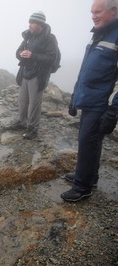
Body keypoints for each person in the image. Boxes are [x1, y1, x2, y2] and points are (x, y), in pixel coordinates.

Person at [61, 0, 118, 202]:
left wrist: (113, 110)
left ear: (113, 11)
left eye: (98, 11)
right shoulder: (98, 34)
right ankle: (89, 177)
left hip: (101, 103)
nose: (93, 15)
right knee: (91, 141)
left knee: (87, 142)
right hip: (89, 99)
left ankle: (82, 187)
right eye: (91, 12)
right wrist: (74, 99)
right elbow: (85, 71)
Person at [11, 11, 59, 140]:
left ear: (40, 24)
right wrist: (21, 53)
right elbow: (17, 52)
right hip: (25, 72)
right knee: (23, 101)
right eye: (30, 22)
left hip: (38, 75)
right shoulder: (28, 36)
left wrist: (33, 56)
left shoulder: (50, 38)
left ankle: (33, 129)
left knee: (34, 104)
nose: (29, 25)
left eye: (32, 23)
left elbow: (52, 59)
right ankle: (22, 123)